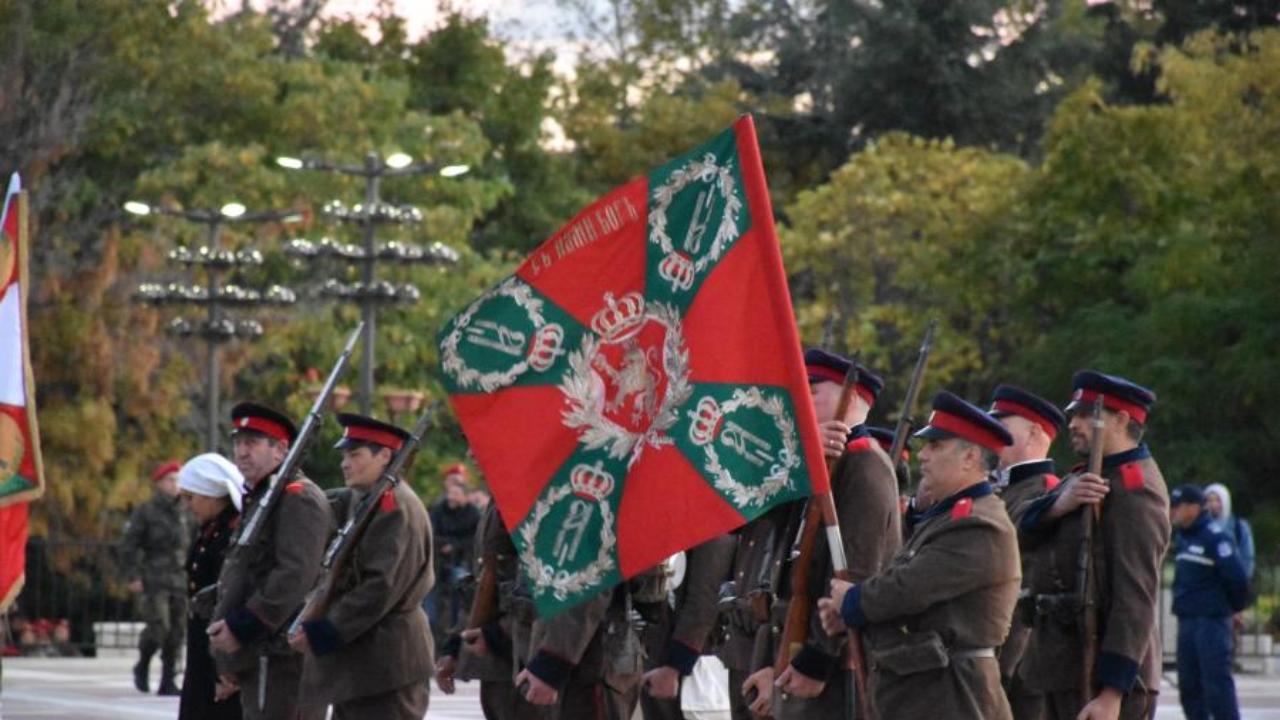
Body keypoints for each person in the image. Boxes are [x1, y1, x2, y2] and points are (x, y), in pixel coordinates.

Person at [819, 391, 1022, 720]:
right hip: (926, 690)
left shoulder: (979, 524)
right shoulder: (947, 517)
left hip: (954, 694)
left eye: (936, 446)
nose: (923, 456)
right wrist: (850, 615)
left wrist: (853, 601)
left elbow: (908, 588)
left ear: (970, 457)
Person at [743, 349, 902, 719]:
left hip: (837, 662)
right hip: (798, 647)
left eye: (813, 391)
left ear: (855, 397)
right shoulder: (816, 464)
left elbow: (857, 571)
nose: (801, 399)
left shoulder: (862, 464)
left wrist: (818, 656)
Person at [1016, 370, 1171, 720]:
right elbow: (1020, 533)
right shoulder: (1083, 476)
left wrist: (1112, 692)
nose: (1073, 423)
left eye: (1086, 415)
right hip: (1064, 667)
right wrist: (1057, 506)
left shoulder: (1135, 488)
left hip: (1104, 676)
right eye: (1074, 414)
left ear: (1120, 420)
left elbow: (1135, 595)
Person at [290, 413, 434, 720]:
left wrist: (324, 631)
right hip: (361, 664)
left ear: (385, 456)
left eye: (354, 454)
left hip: (389, 664)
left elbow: (379, 587)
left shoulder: (396, 508)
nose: (344, 463)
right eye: (344, 455)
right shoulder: (363, 498)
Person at [208, 402, 333, 720]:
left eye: (252, 443)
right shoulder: (263, 498)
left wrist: (243, 627)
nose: (241, 452)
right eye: (238, 442)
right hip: (259, 653)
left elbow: (294, 575)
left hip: (280, 655)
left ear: (280, 450)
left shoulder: (298, 497)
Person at [987, 384, 1066, 720]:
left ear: (1034, 432)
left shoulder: (1044, 491)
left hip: (1021, 652)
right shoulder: (1005, 490)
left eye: (1002, 424)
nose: (992, 434)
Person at [436, 503, 527, 720]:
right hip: (496, 661)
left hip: (521, 660)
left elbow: (539, 590)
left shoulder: (526, 498)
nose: (478, 466)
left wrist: (496, 635)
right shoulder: (497, 502)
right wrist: (455, 646)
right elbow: (482, 585)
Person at [1170, 484, 1249, 720]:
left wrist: (1232, 610)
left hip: (1211, 622)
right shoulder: (1184, 538)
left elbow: (1237, 579)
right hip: (1188, 621)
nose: (1173, 511)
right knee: (1189, 686)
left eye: (1178, 506)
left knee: (1216, 684)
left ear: (1194, 508)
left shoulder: (1215, 537)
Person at [177, 453, 245, 720]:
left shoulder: (230, 531)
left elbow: (230, 595)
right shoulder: (211, 529)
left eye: (191, 498)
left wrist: (225, 665)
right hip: (202, 640)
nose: (188, 505)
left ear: (212, 495)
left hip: (218, 642)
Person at [638, 537, 736, 720]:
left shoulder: (714, 530)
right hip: (659, 653)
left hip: (692, 664)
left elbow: (704, 601)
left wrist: (674, 666)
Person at [121, 459, 194, 696]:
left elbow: (193, 542)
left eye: (178, 480)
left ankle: (167, 680)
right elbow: (129, 545)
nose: (175, 485)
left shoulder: (186, 510)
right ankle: (142, 664)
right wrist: (132, 575)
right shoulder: (146, 511)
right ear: (160, 483)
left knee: (177, 631)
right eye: (171, 480)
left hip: (180, 579)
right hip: (155, 578)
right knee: (158, 627)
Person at [427, 464, 481, 642]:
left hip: (462, 562)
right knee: (429, 594)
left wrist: (455, 546)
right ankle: (432, 631)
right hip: (438, 562)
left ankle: (456, 631)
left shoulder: (473, 514)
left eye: (457, 493)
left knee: (461, 585)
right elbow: (431, 532)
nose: (452, 496)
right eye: (451, 492)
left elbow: (475, 539)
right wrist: (445, 545)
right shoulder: (439, 508)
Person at [1205, 484, 1255, 579]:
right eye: (1210, 500)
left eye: (1218, 500)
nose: (1213, 504)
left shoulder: (1239, 526)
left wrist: (1243, 580)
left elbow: (1247, 556)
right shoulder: (1200, 528)